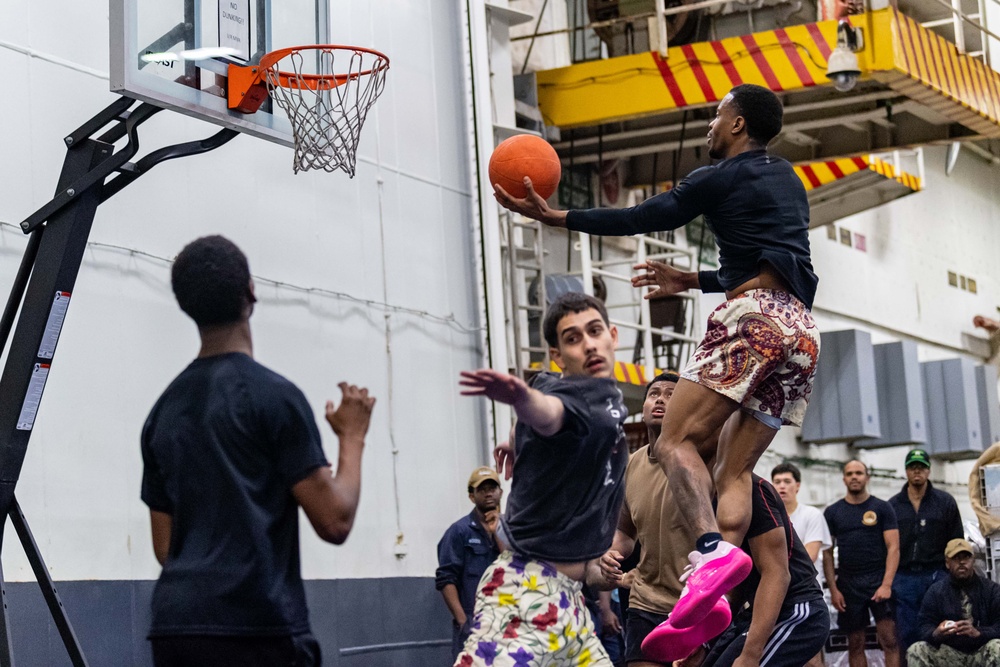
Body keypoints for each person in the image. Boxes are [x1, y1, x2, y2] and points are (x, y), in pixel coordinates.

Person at [494, 82, 821, 634]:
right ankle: (716, 581)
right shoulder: (788, 179)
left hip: (754, 318)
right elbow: (773, 260)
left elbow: (644, 216)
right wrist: (691, 279)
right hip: (802, 330)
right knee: (732, 467)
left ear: (738, 124)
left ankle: (713, 554)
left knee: (671, 440)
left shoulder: (718, 175)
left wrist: (560, 218)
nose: (711, 126)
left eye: (719, 116)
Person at [140, 235, 376, 667]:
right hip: (256, 628)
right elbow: (335, 520)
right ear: (251, 292)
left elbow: (165, 547)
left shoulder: (163, 412)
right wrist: (352, 438)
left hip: (176, 628)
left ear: (185, 306)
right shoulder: (275, 398)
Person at [455, 292, 629, 666]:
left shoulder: (599, 394)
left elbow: (544, 396)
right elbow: (549, 412)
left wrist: (517, 438)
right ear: (558, 354)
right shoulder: (580, 403)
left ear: (612, 335)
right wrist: (521, 400)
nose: (588, 345)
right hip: (523, 592)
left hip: (572, 602)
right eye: (573, 339)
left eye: (594, 331)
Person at [590, 371, 711, 666]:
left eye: (672, 395)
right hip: (646, 600)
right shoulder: (630, 466)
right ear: (643, 408)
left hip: (697, 601)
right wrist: (609, 555)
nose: (660, 399)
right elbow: (625, 533)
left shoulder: (705, 457)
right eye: (655, 394)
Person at [694, 474, 830, 667]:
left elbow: (777, 574)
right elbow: (736, 583)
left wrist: (751, 654)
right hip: (755, 611)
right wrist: (705, 641)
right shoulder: (709, 498)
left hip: (797, 608)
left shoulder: (753, 491)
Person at [888, 448, 964, 659]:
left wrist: (951, 577)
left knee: (943, 629)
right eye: (913, 467)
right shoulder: (893, 506)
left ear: (929, 471)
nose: (917, 472)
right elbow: (885, 546)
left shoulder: (945, 502)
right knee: (907, 632)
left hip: (936, 575)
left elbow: (956, 541)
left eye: (921, 467)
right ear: (906, 471)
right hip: (904, 578)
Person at [824, 460, 901, 667]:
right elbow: (828, 553)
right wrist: (833, 588)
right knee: (855, 643)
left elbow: (893, 548)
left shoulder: (883, 508)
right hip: (848, 585)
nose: (854, 477)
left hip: (878, 580)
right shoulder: (832, 512)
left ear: (867, 477)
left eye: (859, 473)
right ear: (844, 479)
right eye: (850, 473)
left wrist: (886, 584)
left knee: (890, 640)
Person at [436, 467, 504, 659]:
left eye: (492, 488)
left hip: (506, 620)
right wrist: (462, 620)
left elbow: (515, 566)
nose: (489, 493)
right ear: (472, 497)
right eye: (482, 489)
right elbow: (446, 579)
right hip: (472, 620)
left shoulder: (510, 530)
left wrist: (498, 531)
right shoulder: (459, 532)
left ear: (501, 492)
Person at [773, 461, 831, 667]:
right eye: (777, 482)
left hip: (807, 597)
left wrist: (773, 567)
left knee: (812, 660)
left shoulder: (811, 515)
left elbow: (809, 557)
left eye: (787, 481)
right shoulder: (769, 518)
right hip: (776, 597)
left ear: (797, 485)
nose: (782, 486)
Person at [907, 538, 1000, 667]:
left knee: (998, 647)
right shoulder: (935, 591)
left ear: (973, 561)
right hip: (949, 653)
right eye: (956, 558)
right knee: (916, 650)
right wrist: (937, 633)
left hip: (981, 651)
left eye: (966, 558)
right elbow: (923, 626)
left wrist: (979, 632)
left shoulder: (991, 589)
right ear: (947, 563)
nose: (962, 562)